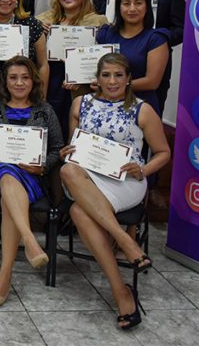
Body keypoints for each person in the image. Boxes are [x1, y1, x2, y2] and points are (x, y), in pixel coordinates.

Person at [60, 53, 170, 330]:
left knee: (77, 211)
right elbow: (73, 148)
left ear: (129, 78)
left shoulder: (142, 110)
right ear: (96, 79)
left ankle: (121, 292)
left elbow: (163, 153)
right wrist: (66, 152)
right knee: (67, 170)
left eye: (118, 75)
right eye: (106, 75)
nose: (112, 81)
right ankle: (124, 241)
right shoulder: (80, 104)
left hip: (126, 181)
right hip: (84, 177)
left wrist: (143, 169)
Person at [0, 56, 63, 307]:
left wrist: (42, 166)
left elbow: (57, 148)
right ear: (5, 81)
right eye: (13, 77)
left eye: (25, 77)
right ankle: (29, 240)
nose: (19, 83)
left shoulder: (46, 110)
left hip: (32, 176)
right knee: (6, 174)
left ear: (33, 80)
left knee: (9, 197)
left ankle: (5, 273)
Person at [104, 0, 186, 113]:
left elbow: (181, 29)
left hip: (152, 63)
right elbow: (102, 22)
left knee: (150, 116)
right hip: (115, 63)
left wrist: (157, 40)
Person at [36, 0, 107, 135]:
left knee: (75, 129)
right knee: (50, 126)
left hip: (81, 86)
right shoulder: (43, 19)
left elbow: (103, 59)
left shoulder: (98, 22)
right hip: (51, 78)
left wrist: (82, 80)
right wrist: (40, 32)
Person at [96, 0, 169, 116]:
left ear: (147, 7)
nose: (132, 8)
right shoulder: (106, 33)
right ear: (119, 7)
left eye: (138, 3)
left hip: (140, 107)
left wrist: (113, 86)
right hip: (106, 104)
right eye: (126, 3)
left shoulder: (156, 39)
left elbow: (152, 82)